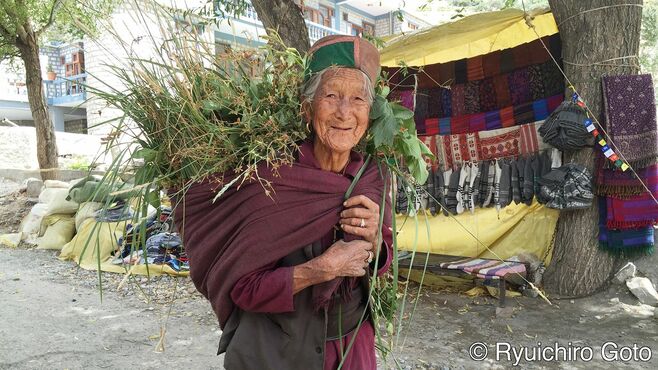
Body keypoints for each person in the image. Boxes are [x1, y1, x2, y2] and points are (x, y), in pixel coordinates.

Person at [175, 35, 392, 370]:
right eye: (331, 96)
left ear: (369, 112)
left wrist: (376, 241)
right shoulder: (270, 179)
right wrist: (321, 269)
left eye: (359, 99)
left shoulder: (370, 175)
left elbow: (383, 257)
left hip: (353, 347)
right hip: (277, 351)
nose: (345, 112)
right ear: (307, 109)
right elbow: (242, 289)